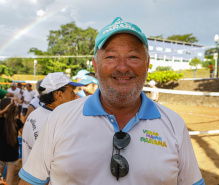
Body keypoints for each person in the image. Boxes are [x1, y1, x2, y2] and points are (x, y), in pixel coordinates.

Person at [19, 17, 205, 185]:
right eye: (110, 57)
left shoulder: (174, 124)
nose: (122, 67)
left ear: (147, 64)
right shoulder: (59, 118)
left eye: (133, 56)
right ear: (96, 66)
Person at [21, 72, 83, 165]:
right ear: (59, 94)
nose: (74, 95)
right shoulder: (54, 121)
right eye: (71, 91)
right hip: (46, 178)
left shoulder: (35, 114)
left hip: (31, 175)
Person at [0, 98, 23, 185]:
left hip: (0, 154)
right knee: (9, 179)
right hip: (12, 154)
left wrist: (3, 111)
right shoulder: (17, 122)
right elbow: (26, 135)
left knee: (0, 177)